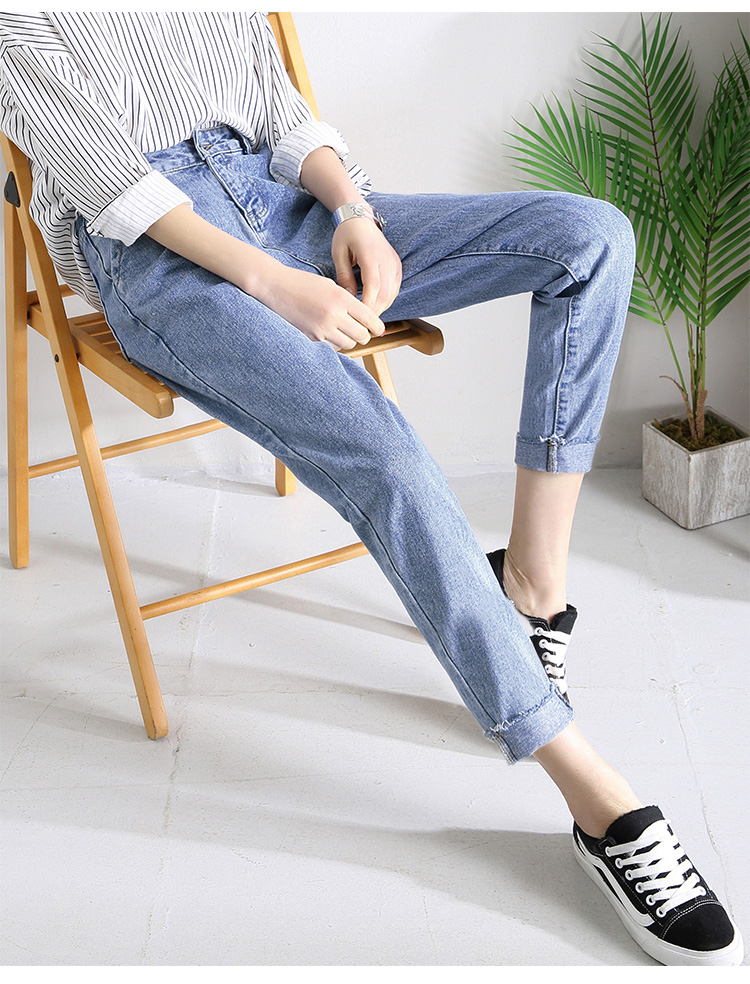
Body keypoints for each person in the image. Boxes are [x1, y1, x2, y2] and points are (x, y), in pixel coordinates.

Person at [0, 12, 742, 966]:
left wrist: (352, 211)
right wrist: (275, 285)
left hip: (285, 206)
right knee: (386, 458)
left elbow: (282, 117)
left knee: (589, 237)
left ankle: (531, 591)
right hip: (165, 262)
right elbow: (116, 189)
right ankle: (597, 798)